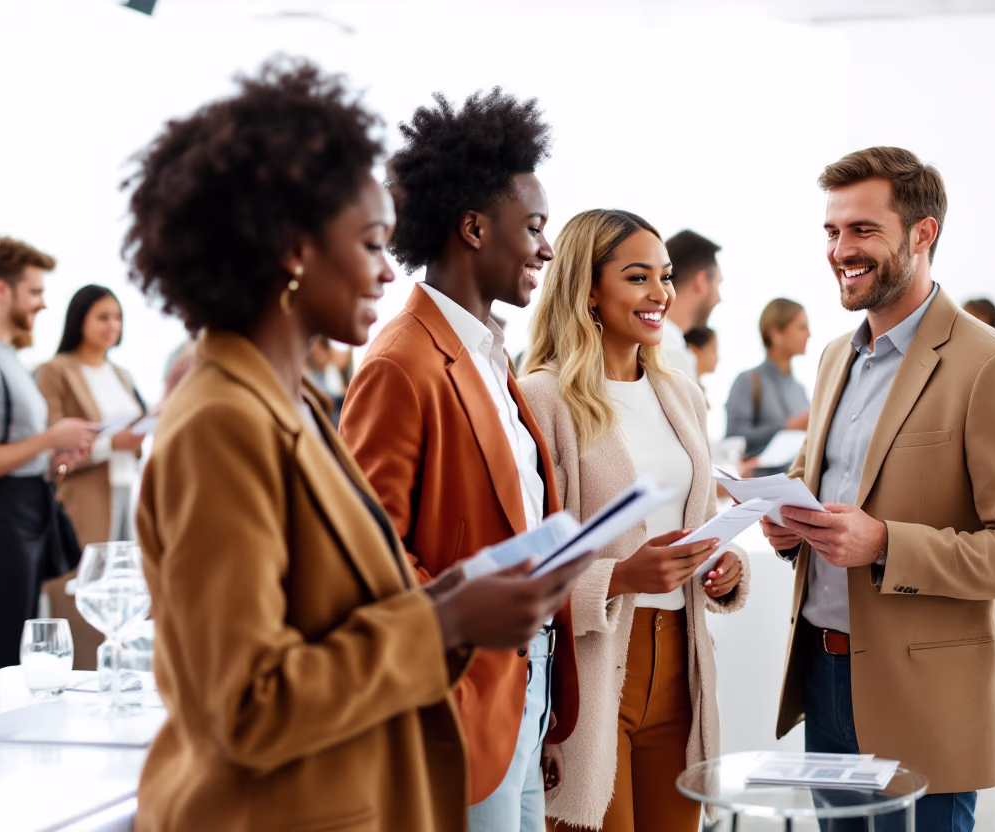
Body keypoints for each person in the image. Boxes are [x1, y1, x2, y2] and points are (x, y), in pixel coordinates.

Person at [123, 58, 591, 832]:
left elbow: (335, 610)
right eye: (372, 244)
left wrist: (459, 595)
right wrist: (447, 620)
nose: (387, 271)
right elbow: (247, 705)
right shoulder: (219, 423)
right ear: (292, 250)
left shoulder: (291, 402)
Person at [761, 147, 995, 832]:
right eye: (832, 232)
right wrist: (788, 523)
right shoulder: (837, 355)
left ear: (922, 234)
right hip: (824, 674)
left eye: (863, 230)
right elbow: (828, 483)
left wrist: (885, 544)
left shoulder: (994, 366)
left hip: (928, 697)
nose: (842, 250)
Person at [339, 88, 581, 832]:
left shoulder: (484, 353)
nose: (546, 248)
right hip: (462, 687)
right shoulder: (401, 362)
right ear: (474, 228)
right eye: (535, 227)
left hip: (523, 688)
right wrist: (475, 612)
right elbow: (369, 555)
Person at [520, 209, 749, 832]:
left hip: (681, 668)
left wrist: (725, 565)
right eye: (638, 277)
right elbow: (526, 566)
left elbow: (698, 520)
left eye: (666, 276)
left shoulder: (682, 394)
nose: (661, 295)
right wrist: (620, 576)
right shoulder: (545, 398)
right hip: (593, 675)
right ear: (588, 289)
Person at [0, 237, 98, 668]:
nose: (43, 304)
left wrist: (56, 458)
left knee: (20, 644)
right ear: (1, 290)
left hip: (25, 509)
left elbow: (13, 450)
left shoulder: (6, 357)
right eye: (34, 292)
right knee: (6, 649)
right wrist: (51, 438)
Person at [35, 284, 147, 669]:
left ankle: (122, 679)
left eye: (117, 317)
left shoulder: (121, 373)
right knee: (82, 597)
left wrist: (137, 440)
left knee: (128, 595)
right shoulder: (56, 372)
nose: (112, 325)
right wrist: (111, 443)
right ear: (79, 319)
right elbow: (52, 448)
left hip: (126, 492)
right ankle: (81, 680)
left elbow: (130, 436)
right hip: (84, 498)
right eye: (102, 317)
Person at [725, 298, 812, 457]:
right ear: (775, 334)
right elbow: (733, 437)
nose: (809, 335)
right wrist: (786, 426)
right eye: (801, 328)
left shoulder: (800, 390)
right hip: (759, 480)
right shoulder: (748, 381)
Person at [659, 230, 722, 381]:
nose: (719, 298)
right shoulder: (671, 355)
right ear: (701, 281)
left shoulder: (663, 344)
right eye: (718, 284)